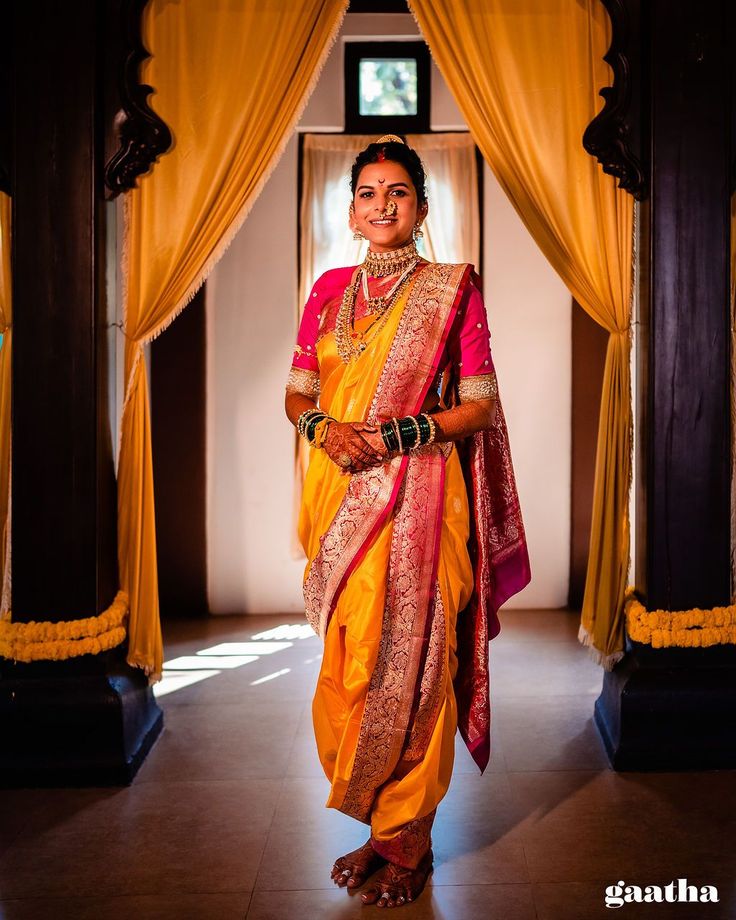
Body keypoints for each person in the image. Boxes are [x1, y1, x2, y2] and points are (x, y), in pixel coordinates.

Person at [284, 134, 530, 909]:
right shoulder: (326, 290)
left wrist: (396, 435)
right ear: (350, 211)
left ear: (422, 208)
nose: (381, 204)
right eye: (367, 193)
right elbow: (297, 393)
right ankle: (379, 825)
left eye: (398, 192)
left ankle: (408, 842)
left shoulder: (453, 289)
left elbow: (480, 403)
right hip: (339, 495)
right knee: (352, 663)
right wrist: (325, 430)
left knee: (417, 663)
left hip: (422, 497)